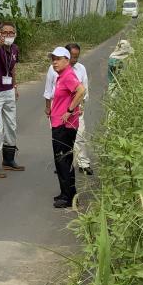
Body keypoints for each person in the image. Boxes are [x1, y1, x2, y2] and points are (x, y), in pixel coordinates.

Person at [44, 43, 93, 176]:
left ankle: (83, 163)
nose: (74, 59)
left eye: (77, 57)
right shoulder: (53, 68)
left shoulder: (81, 68)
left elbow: (84, 88)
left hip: (75, 108)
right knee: (60, 140)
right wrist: (48, 107)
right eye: (72, 56)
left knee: (80, 135)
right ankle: (62, 165)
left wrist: (80, 105)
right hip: (58, 108)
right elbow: (49, 89)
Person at [47, 47, 86, 208]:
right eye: (53, 59)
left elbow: (81, 90)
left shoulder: (68, 75)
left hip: (65, 125)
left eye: (58, 59)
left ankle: (69, 197)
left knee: (63, 160)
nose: (54, 62)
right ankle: (66, 193)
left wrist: (70, 110)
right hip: (59, 123)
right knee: (62, 160)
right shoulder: (61, 75)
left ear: (67, 60)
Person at [0, 21, 25, 178]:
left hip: (9, 90)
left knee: (11, 124)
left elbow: (13, 68)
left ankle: (9, 160)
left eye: (11, 32)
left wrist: (15, 86)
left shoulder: (15, 48)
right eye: (5, 32)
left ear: (15, 34)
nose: (8, 35)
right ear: (0, 34)